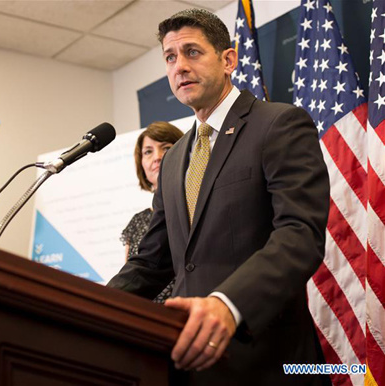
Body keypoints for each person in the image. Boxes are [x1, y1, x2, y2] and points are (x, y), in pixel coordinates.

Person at [107, 8, 330, 385]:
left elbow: (299, 234)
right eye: (170, 57)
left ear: (229, 60)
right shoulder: (175, 157)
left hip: (269, 361)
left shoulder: (278, 124)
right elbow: (152, 261)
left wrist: (228, 304)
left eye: (192, 52)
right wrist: (94, 303)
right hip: (190, 365)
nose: (179, 66)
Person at [120, 122, 183, 303]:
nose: (157, 157)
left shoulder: (193, 205)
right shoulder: (137, 221)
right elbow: (132, 275)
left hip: (184, 310)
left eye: (166, 148)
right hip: (143, 316)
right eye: (148, 151)